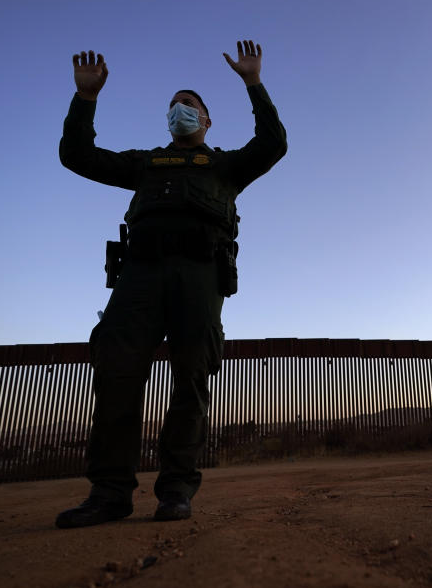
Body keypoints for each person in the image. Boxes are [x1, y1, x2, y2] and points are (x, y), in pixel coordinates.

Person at [55, 40, 287, 529]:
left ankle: (177, 491)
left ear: (206, 121)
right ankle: (110, 492)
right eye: (175, 106)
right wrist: (86, 99)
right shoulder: (145, 163)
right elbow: (77, 155)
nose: (182, 110)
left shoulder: (225, 166)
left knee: (191, 381)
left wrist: (253, 83)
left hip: (200, 276)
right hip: (139, 275)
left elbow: (272, 145)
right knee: (117, 374)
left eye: (192, 106)